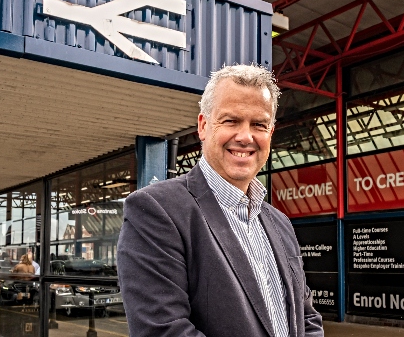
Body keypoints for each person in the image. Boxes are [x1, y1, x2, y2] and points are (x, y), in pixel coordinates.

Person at [118, 64, 323, 337]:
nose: (245, 137)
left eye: (259, 125)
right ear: (203, 126)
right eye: (231, 121)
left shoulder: (280, 223)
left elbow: (307, 318)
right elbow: (164, 331)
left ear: (270, 134)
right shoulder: (156, 210)